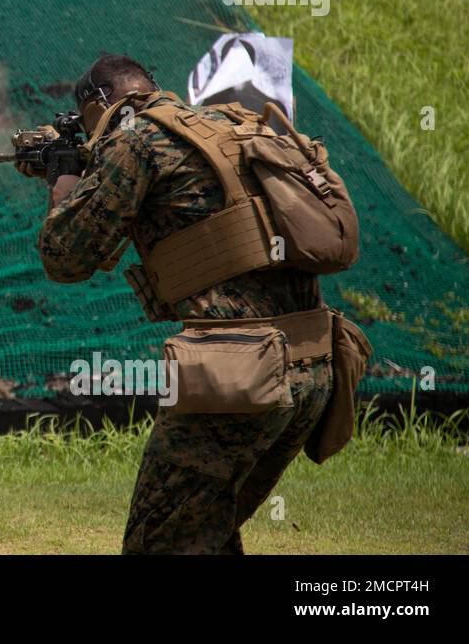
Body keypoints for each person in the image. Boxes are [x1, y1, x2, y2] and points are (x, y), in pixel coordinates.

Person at [27, 53, 334, 554]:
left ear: (101, 105)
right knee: (204, 531)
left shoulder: (135, 140)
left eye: (86, 125)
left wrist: (63, 186)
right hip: (315, 364)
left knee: (158, 543)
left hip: (244, 376)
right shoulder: (226, 126)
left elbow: (67, 258)